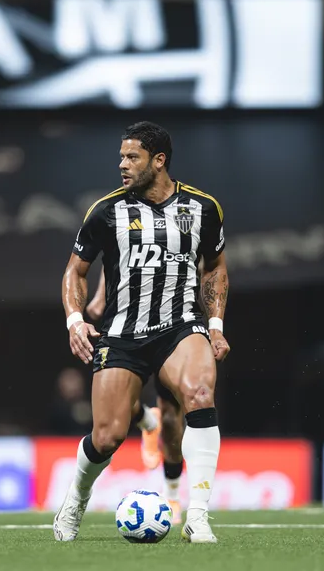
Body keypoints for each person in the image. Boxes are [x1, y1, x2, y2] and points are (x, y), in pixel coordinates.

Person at [56, 121, 230, 543]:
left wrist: (215, 325)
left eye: (132, 157)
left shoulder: (203, 208)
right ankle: (76, 498)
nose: (122, 165)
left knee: (199, 395)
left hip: (180, 327)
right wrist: (75, 319)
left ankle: (198, 515)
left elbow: (215, 268)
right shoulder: (106, 211)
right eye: (121, 157)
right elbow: (75, 271)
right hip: (122, 334)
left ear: (159, 161)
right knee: (107, 436)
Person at [86, 271, 185, 523]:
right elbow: (116, 251)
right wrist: (100, 294)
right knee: (118, 402)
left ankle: (172, 495)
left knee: (172, 418)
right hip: (127, 324)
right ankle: (148, 423)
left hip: (172, 326)